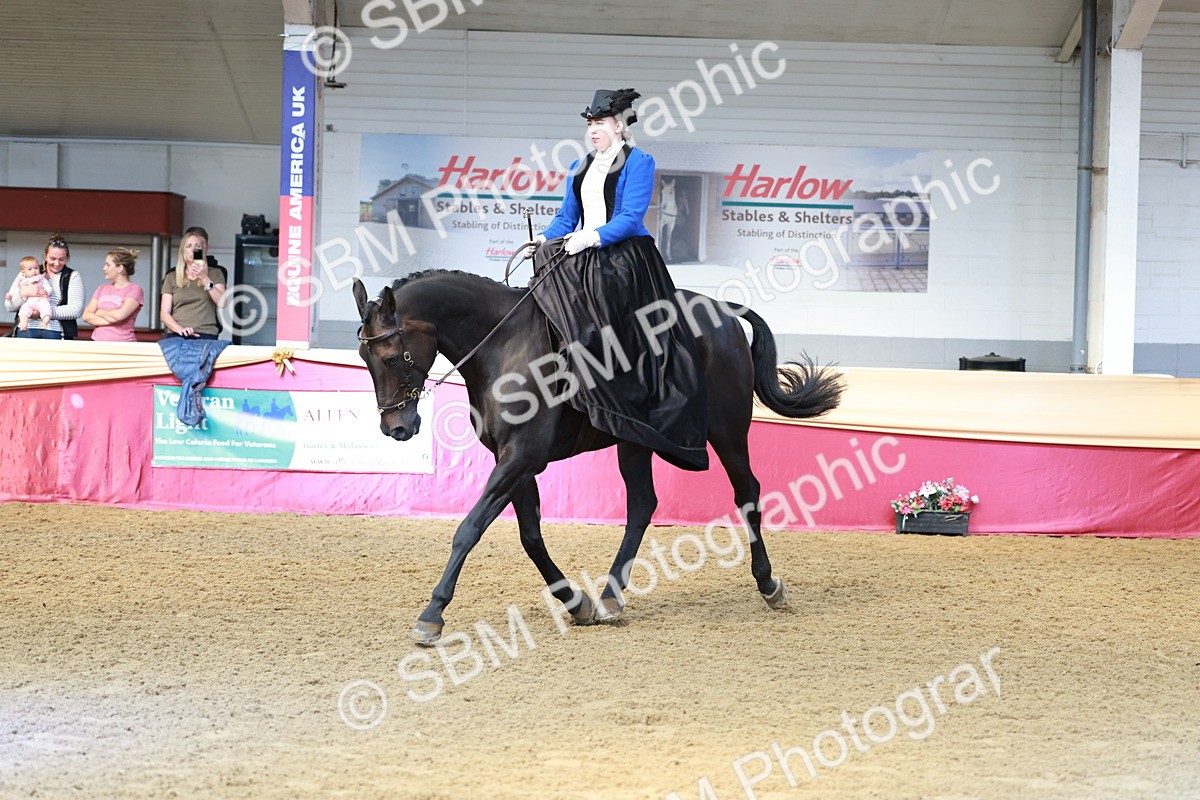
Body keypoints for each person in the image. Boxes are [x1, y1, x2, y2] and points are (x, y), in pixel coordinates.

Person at [530, 87, 709, 471]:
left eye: (599, 124)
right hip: (581, 247)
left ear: (618, 125)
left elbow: (630, 218)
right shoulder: (579, 166)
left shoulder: (638, 161)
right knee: (544, 267)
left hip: (624, 255)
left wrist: (590, 237)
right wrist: (545, 238)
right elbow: (566, 217)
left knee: (604, 305)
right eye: (590, 125)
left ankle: (616, 382)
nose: (593, 131)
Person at [5, 233, 85, 340]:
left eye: (62, 259)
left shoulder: (72, 276)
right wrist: (23, 294)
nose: (56, 263)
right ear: (45, 255)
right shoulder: (28, 271)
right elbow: (9, 306)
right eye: (52, 258)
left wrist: (43, 312)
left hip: (57, 331)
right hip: (26, 329)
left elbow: (76, 310)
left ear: (67, 258)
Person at [160, 226, 227, 339]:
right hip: (177, 333)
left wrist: (204, 278)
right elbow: (164, 313)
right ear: (183, 251)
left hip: (206, 332)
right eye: (189, 246)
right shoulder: (172, 276)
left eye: (197, 246)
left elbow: (222, 303)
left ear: (203, 249)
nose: (193, 250)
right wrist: (180, 330)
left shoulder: (216, 273)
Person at [82, 248, 145, 342]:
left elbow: (120, 315)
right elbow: (86, 316)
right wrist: (113, 321)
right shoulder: (101, 288)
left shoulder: (135, 289)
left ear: (120, 268)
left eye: (108, 265)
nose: (104, 268)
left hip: (123, 344)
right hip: (97, 343)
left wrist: (98, 312)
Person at [6, 256, 55, 332]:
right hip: (29, 302)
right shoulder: (22, 280)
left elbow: (48, 287)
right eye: (30, 269)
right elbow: (16, 292)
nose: (34, 271)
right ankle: (24, 324)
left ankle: (45, 322)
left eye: (36, 268)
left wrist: (46, 291)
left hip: (41, 299)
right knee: (23, 310)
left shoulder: (41, 278)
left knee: (46, 308)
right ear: (23, 271)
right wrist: (10, 295)